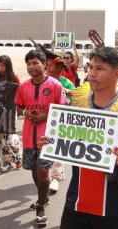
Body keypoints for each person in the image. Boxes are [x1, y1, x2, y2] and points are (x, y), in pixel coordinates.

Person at [44, 46, 118, 229]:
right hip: (76, 201)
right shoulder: (79, 104)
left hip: (114, 206)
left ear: (116, 74)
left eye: (100, 69)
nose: (91, 73)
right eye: (91, 67)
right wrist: (50, 141)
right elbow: (68, 142)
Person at [15, 49, 68, 226]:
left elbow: (63, 110)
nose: (31, 67)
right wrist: (26, 112)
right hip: (29, 137)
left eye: (35, 63)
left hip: (48, 138)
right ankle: (43, 198)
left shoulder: (55, 85)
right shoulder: (23, 86)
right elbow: (19, 108)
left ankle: (40, 206)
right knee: (34, 172)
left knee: (43, 172)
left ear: (44, 64)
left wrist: (46, 116)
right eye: (28, 63)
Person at [45, 51, 75, 192]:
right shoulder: (44, 80)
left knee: (58, 146)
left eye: (51, 65)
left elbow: (74, 94)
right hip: (45, 117)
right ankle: (54, 173)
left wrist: (63, 90)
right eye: (47, 65)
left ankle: (55, 176)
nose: (48, 68)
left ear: (58, 67)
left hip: (62, 117)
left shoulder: (65, 81)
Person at [0, 55, 22, 175]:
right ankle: (1, 165)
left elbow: (19, 93)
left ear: (8, 66)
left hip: (10, 112)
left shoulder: (14, 78)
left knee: (9, 139)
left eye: (3, 66)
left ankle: (18, 156)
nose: (0, 68)